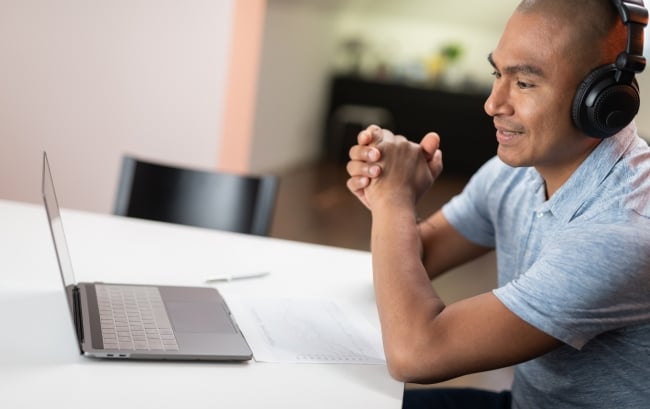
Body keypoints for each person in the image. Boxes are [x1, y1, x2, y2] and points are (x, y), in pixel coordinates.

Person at [345, 1, 650, 408]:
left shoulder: (620, 231)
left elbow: (416, 354)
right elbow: (422, 254)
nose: (493, 104)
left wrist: (394, 203)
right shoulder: (517, 171)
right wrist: (388, 187)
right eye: (497, 73)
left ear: (602, 102)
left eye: (524, 83)